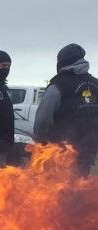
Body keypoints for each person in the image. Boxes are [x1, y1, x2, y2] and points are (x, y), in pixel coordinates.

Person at [34, 43, 98, 178]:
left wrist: (40, 142)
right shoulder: (95, 84)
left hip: (61, 151)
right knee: (79, 189)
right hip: (89, 148)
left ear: (61, 63)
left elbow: (43, 118)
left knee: (58, 190)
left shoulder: (58, 85)